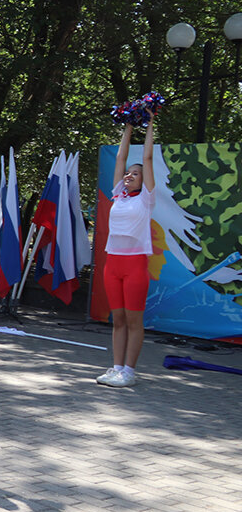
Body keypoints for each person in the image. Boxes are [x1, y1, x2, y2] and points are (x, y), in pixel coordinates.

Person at [98, 114, 156, 387]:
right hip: (113, 264)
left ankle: (130, 372)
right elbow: (120, 159)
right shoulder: (118, 195)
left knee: (134, 320)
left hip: (135, 266)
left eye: (135, 174)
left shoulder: (146, 199)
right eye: (127, 174)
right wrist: (129, 125)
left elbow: (147, 160)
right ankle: (116, 367)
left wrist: (150, 123)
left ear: (144, 181)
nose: (129, 175)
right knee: (117, 319)